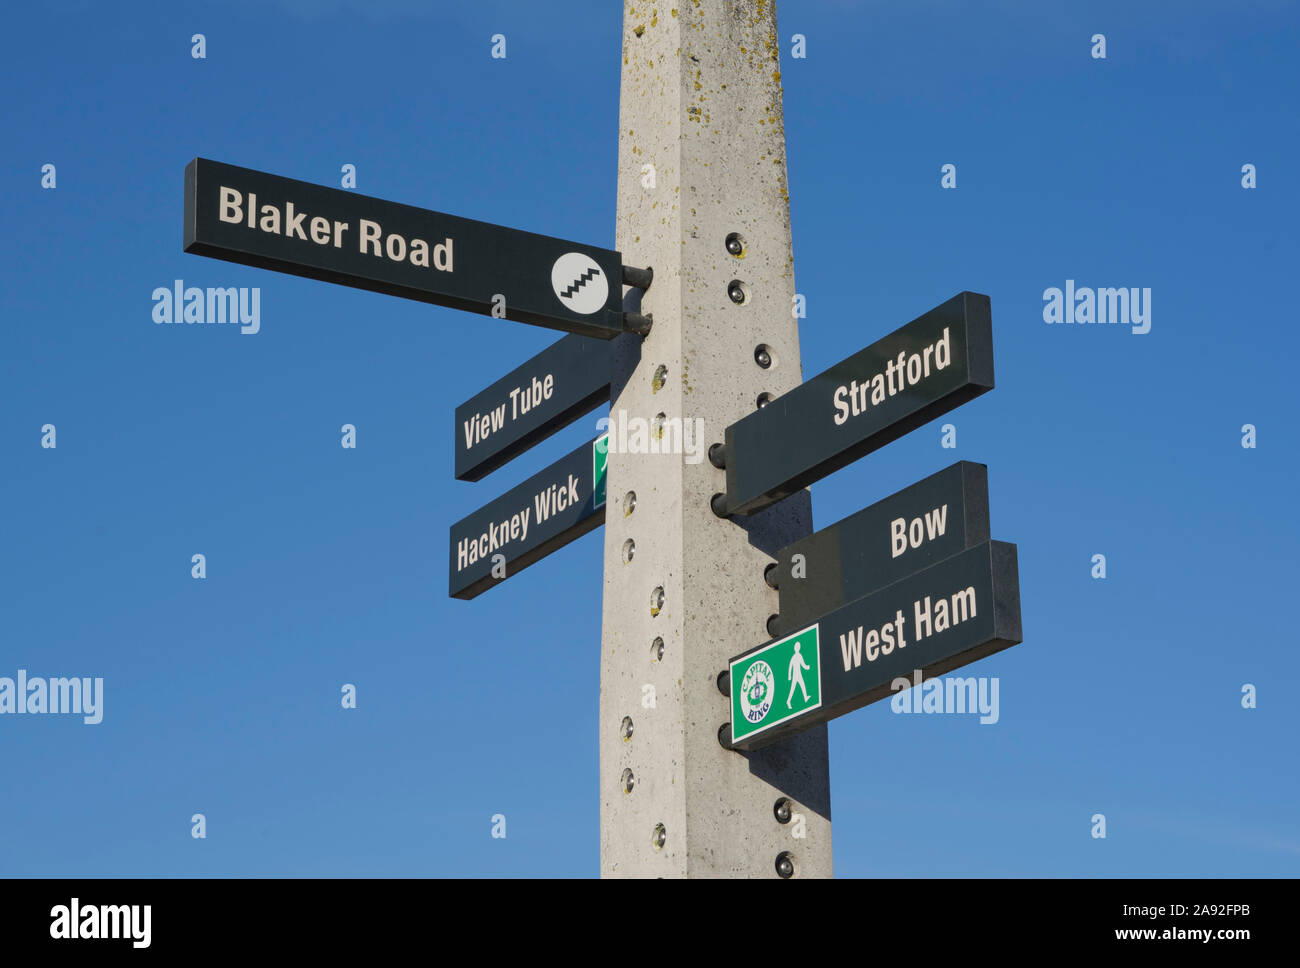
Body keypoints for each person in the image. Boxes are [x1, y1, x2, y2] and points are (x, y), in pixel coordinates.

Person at [787, 642, 810, 708]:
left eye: (798, 647)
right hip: (796, 675)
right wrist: (789, 676)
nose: (797, 648)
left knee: (802, 685)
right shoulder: (796, 656)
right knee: (792, 689)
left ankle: (805, 697)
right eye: (797, 647)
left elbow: (802, 664)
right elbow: (790, 666)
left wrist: (806, 667)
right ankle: (788, 701)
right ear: (795, 648)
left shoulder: (797, 655)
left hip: (798, 674)